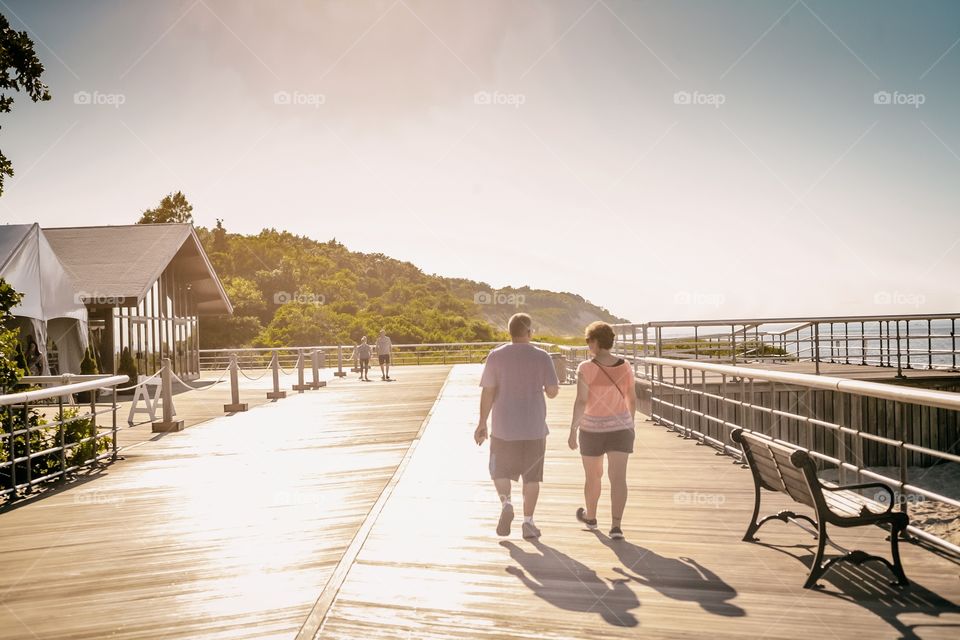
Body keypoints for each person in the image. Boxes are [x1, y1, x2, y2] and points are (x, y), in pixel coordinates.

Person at [475, 313, 559, 539]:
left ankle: (506, 504)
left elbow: (488, 391)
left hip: (503, 428)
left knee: (499, 471)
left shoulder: (495, 356)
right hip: (533, 429)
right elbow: (552, 392)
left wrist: (482, 422)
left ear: (509, 332)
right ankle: (528, 523)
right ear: (529, 332)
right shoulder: (542, 356)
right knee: (532, 478)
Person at [568, 321, 636, 540]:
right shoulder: (625, 366)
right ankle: (616, 527)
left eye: (589, 341)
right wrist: (630, 424)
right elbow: (631, 398)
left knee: (593, 476)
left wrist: (572, 430)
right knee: (618, 478)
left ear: (596, 342)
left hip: (592, 429)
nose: (588, 345)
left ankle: (592, 517)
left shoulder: (586, 368)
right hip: (621, 428)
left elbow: (581, 401)